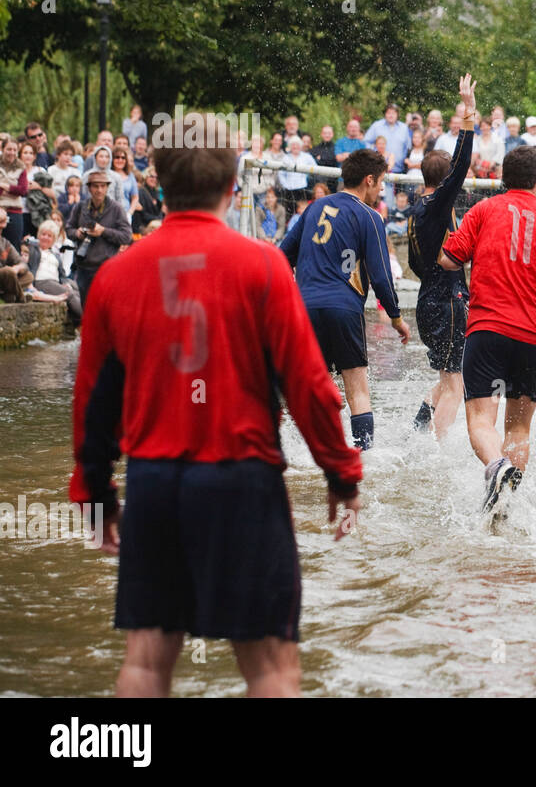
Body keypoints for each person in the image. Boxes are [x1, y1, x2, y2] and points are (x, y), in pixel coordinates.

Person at [69, 114, 363, 697]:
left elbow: (93, 404)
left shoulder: (116, 276)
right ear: (234, 183)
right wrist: (341, 472)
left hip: (154, 482)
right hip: (243, 481)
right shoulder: (262, 267)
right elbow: (308, 386)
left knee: (146, 662)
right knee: (273, 668)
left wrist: (95, 494)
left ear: (155, 177)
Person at [438, 146, 536, 514]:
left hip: (487, 330)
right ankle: (506, 507)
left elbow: (448, 259)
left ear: (502, 178)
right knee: (519, 430)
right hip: (535, 339)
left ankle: (496, 468)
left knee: (480, 420)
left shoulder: (482, 211)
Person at [280, 149, 410, 450]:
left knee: (312, 389)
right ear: (368, 179)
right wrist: (396, 318)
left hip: (306, 311)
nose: (381, 190)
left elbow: (282, 255)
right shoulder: (369, 216)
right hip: (343, 309)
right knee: (357, 391)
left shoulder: (314, 208)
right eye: (381, 183)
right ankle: (363, 458)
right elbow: (381, 278)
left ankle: (309, 455)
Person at [407, 73, 477, 441]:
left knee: (445, 378)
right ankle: (435, 451)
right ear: (446, 178)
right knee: (456, 384)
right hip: (446, 302)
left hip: (427, 299)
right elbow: (462, 165)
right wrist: (468, 116)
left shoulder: (417, 208)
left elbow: (417, 264)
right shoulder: (436, 206)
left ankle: (416, 431)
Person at [67, 170, 132, 308]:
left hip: (106, 266)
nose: (99, 190)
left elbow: (127, 236)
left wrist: (103, 231)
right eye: (96, 186)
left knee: (106, 306)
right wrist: (78, 233)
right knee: (86, 308)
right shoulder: (81, 207)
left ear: (107, 187)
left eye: (103, 186)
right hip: (84, 266)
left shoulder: (116, 209)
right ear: (89, 188)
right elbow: (68, 229)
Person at [26, 218, 82, 323]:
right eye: (43, 234)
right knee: (69, 295)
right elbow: (26, 246)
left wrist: (65, 283)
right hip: (41, 281)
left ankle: (79, 321)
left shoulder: (55, 254)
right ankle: (90, 321)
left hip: (55, 281)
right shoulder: (33, 250)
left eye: (49, 236)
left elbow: (62, 274)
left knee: (78, 291)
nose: (46, 238)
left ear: (54, 239)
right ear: (39, 235)